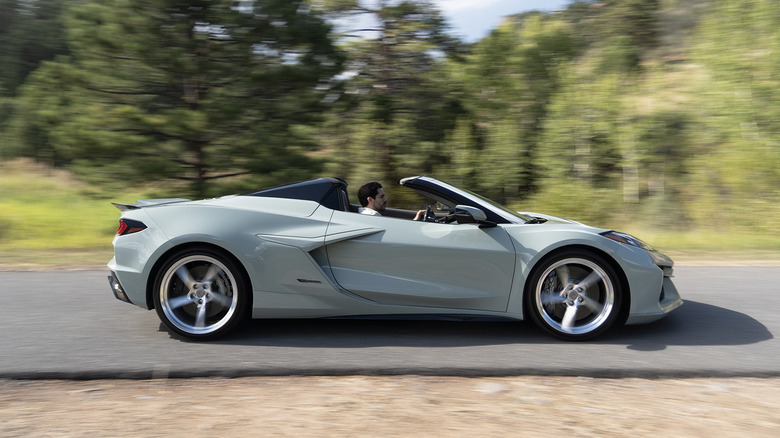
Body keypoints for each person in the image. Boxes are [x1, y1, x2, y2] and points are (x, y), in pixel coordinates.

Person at [357, 181, 425, 220]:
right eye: (381, 197)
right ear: (370, 199)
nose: (385, 199)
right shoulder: (372, 217)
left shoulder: (364, 213)